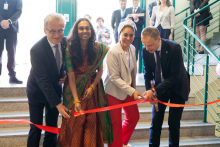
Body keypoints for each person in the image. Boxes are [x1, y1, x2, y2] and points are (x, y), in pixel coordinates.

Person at [57, 18, 113, 147]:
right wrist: (76, 100)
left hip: (92, 91)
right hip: (73, 89)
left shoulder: (98, 48)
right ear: (76, 31)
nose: (84, 31)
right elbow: (71, 77)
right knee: (75, 122)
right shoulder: (70, 50)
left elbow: (100, 71)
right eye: (81, 28)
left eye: (87, 28)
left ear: (91, 30)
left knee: (91, 122)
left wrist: (92, 87)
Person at [141, 27, 190, 147]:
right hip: (160, 88)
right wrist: (149, 91)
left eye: (150, 45)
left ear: (158, 39)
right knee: (156, 122)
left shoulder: (174, 47)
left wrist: (154, 90)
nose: (147, 48)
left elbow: (174, 77)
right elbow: (147, 74)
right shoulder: (145, 50)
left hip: (177, 88)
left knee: (173, 123)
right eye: (145, 45)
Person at [26, 13, 69, 147]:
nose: (57, 35)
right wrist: (58, 104)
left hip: (55, 89)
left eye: (60, 30)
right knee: (36, 127)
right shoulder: (36, 50)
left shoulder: (66, 42)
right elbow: (43, 81)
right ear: (45, 30)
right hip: (37, 92)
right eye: (52, 31)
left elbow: (67, 63)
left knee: (52, 127)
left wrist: (65, 73)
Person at [104, 20, 144, 147]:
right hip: (113, 92)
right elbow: (114, 77)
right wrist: (132, 91)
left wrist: (133, 88)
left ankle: (121, 143)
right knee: (115, 122)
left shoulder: (133, 48)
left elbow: (132, 70)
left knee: (133, 117)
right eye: (125, 35)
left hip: (128, 89)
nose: (128, 38)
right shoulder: (113, 52)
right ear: (119, 34)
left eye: (131, 35)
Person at [0, 0, 23, 84]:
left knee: (12, 53)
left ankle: (12, 76)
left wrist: (9, 21)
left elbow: (19, 11)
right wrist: (2, 21)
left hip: (12, 28)